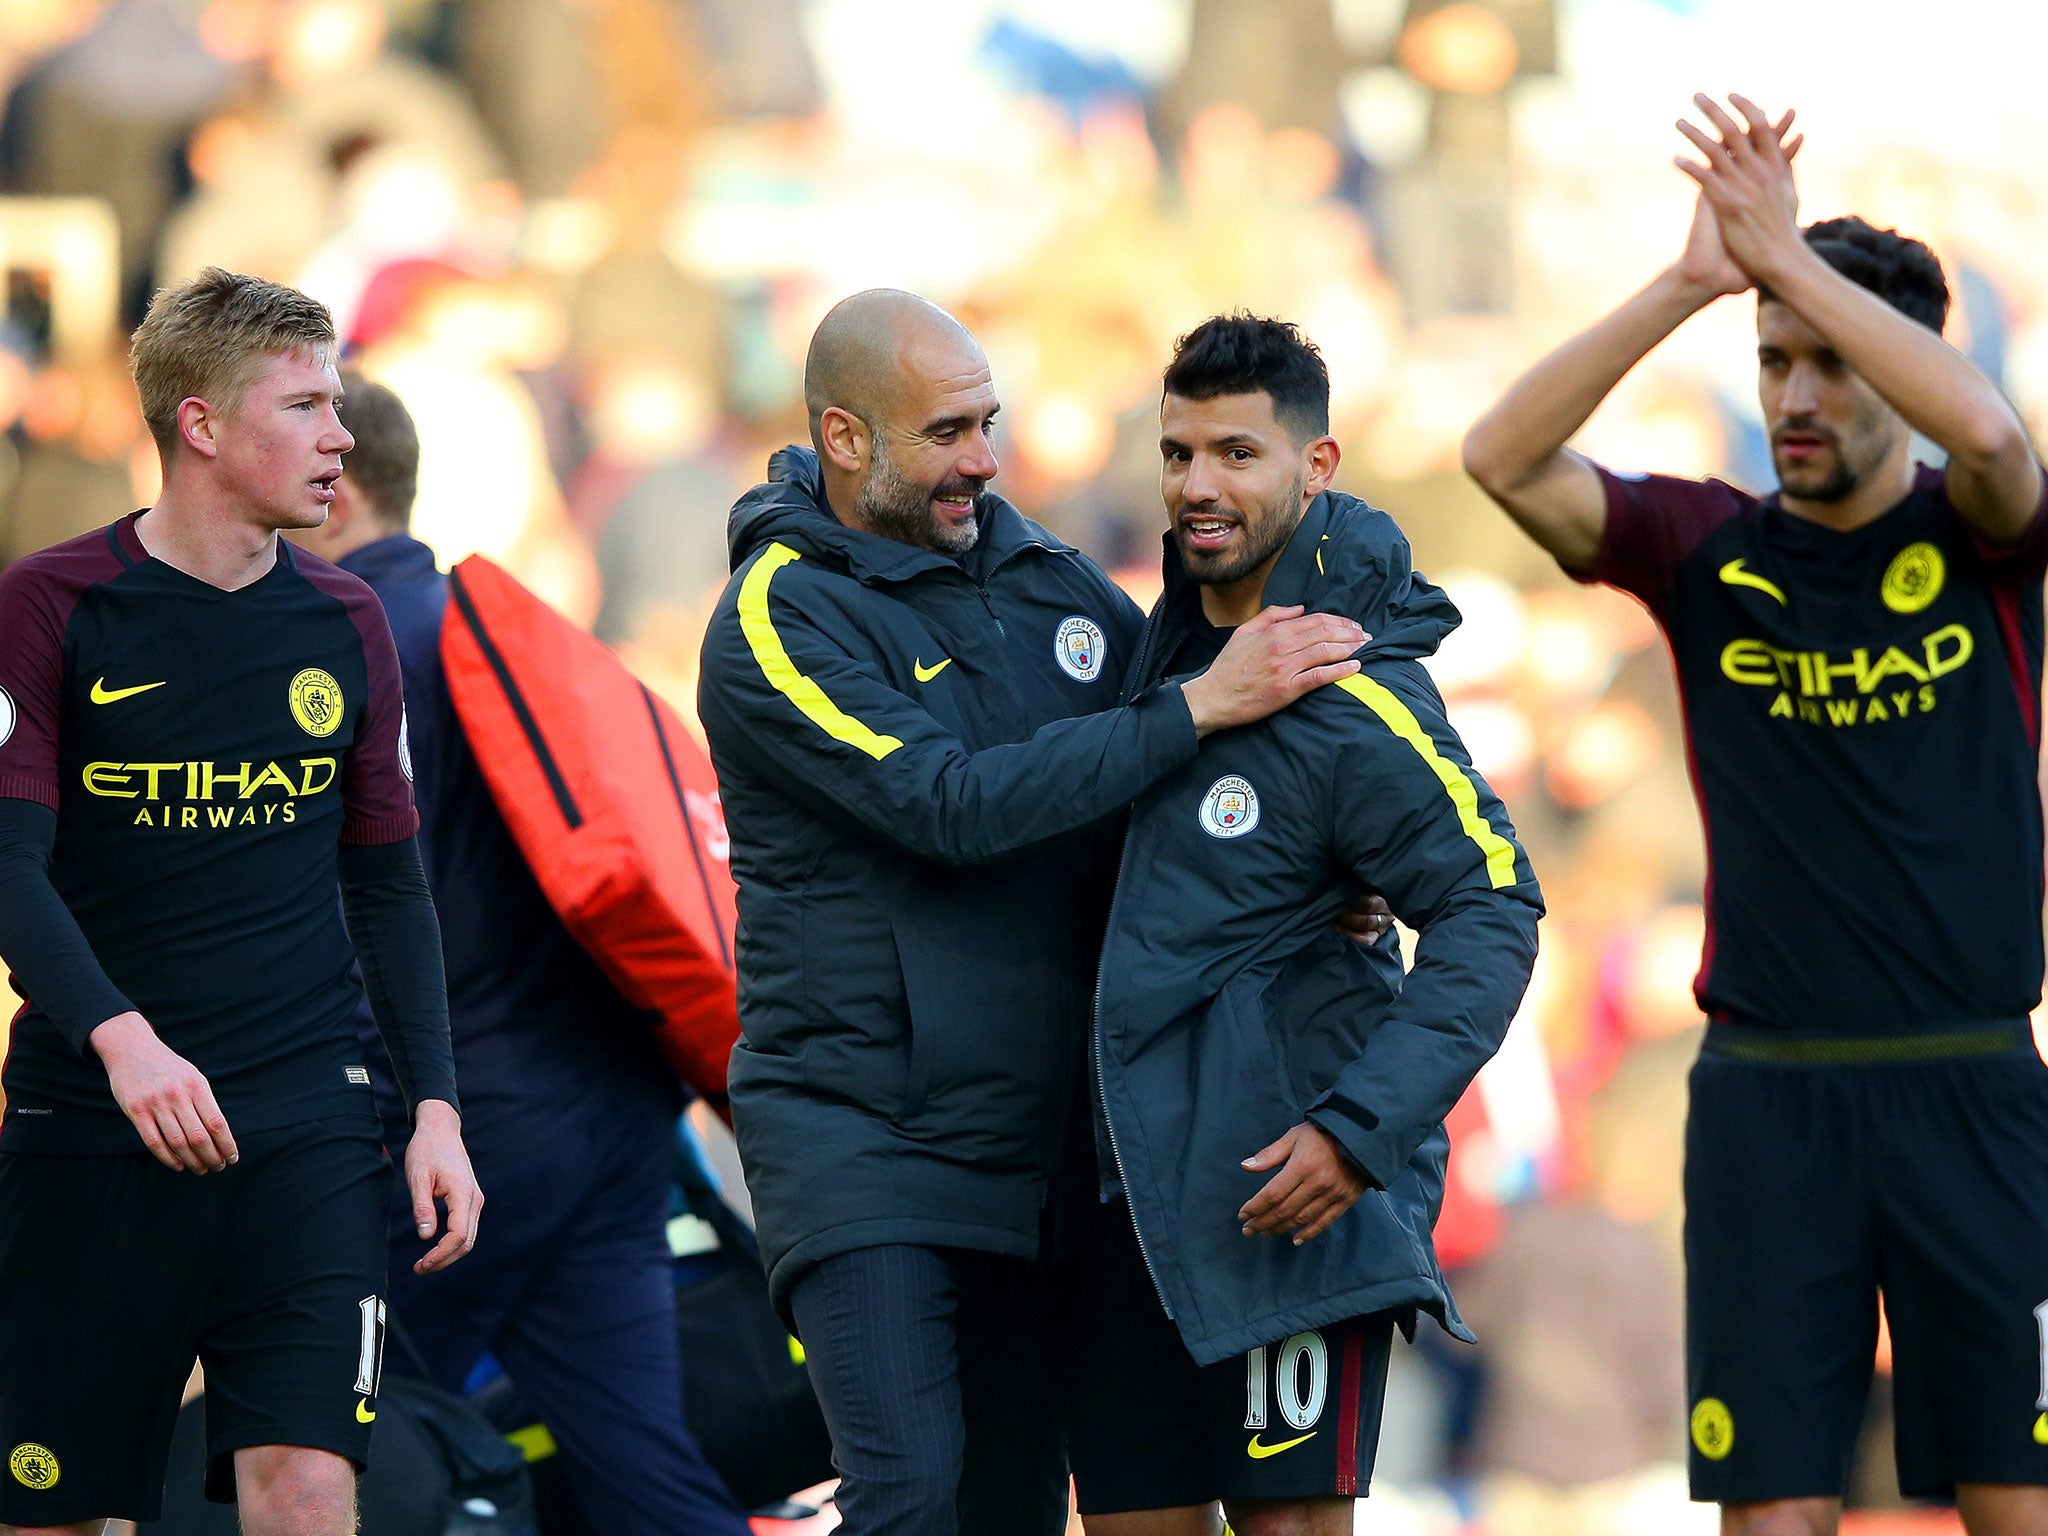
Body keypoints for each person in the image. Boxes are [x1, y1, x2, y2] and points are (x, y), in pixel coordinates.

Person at [1463, 95, 2048, 1536]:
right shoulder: (1707, 547)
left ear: (1900, 379)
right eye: (1775, 364)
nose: (1794, 398)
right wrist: (1694, 282)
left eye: (1833, 367)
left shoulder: (1981, 531)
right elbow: (1500, 457)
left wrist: (1791, 256)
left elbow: (1984, 424)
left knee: (2015, 1505)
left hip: (1971, 1082)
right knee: (1773, 1517)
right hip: (1765, 1100)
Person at [695, 288, 1368, 1536]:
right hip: (866, 1145)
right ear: (848, 441)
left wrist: (1324, 886)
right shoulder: (776, 617)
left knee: (1007, 1509)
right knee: (908, 1498)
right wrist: (1195, 710)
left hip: (1051, 1152)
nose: (982, 459)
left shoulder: (1045, 576)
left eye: (986, 422)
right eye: (947, 431)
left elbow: (1167, 786)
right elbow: (947, 804)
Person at [0, 269, 479, 1536]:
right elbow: (6, 863)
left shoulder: (347, 619)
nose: (339, 437)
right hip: (95, 1124)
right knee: (56, 1511)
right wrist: (122, 1039)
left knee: (309, 1482)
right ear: (201, 424)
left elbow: (388, 884)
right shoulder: (52, 605)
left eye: (338, 405)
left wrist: (433, 1106)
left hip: (305, 1131)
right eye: (305, 406)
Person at [1068, 314, 1543, 1536]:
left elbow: (1493, 909)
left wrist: (1355, 1132)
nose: (1197, 486)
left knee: (1287, 1531)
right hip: (1127, 1211)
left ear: (1314, 467)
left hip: (1290, 1208)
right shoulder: (1149, 667)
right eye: (1178, 455)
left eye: (1236, 453)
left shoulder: (1355, 693)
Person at [288, 374, 755, 1535]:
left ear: (334, 495)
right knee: (642, 1466)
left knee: (324, 1439)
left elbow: (354, 932)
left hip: (456, 1135)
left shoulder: (350, 656)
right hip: (610, 1110)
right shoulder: (499, 628)